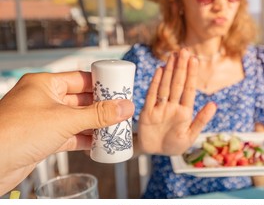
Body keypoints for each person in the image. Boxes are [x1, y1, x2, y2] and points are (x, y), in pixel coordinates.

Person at [122, 0, 264, 198]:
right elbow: (106, 146)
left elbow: (259, 153)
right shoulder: (144, 63)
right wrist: (143, 142)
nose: (221, 3)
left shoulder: (256, 63)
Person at [0, 48, 214, 196]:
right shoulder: (142, 56)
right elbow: (95, 136)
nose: (221, 1)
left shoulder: (248, 59)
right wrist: (145, 145)